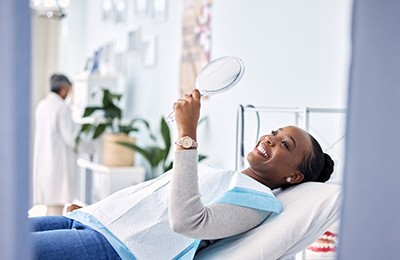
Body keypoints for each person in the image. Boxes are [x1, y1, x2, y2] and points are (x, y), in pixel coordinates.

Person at [29, 89, 334, 259]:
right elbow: (154, 196)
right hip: (92, 221)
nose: (269, 139)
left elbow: (187, 222)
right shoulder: (225, 174)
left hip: (115, 249)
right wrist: (100, 211)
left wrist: (187, 133)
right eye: (273, 132)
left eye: (285, 144)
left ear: (294, 177)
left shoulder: (258, 202)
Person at [32, 74, 77, 216]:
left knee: (50, 208)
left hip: (44, 161)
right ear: (63, 89)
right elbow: (70, 138)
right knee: (56, 210)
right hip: (57, 164)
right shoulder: (62, 108)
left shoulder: (42, 105)